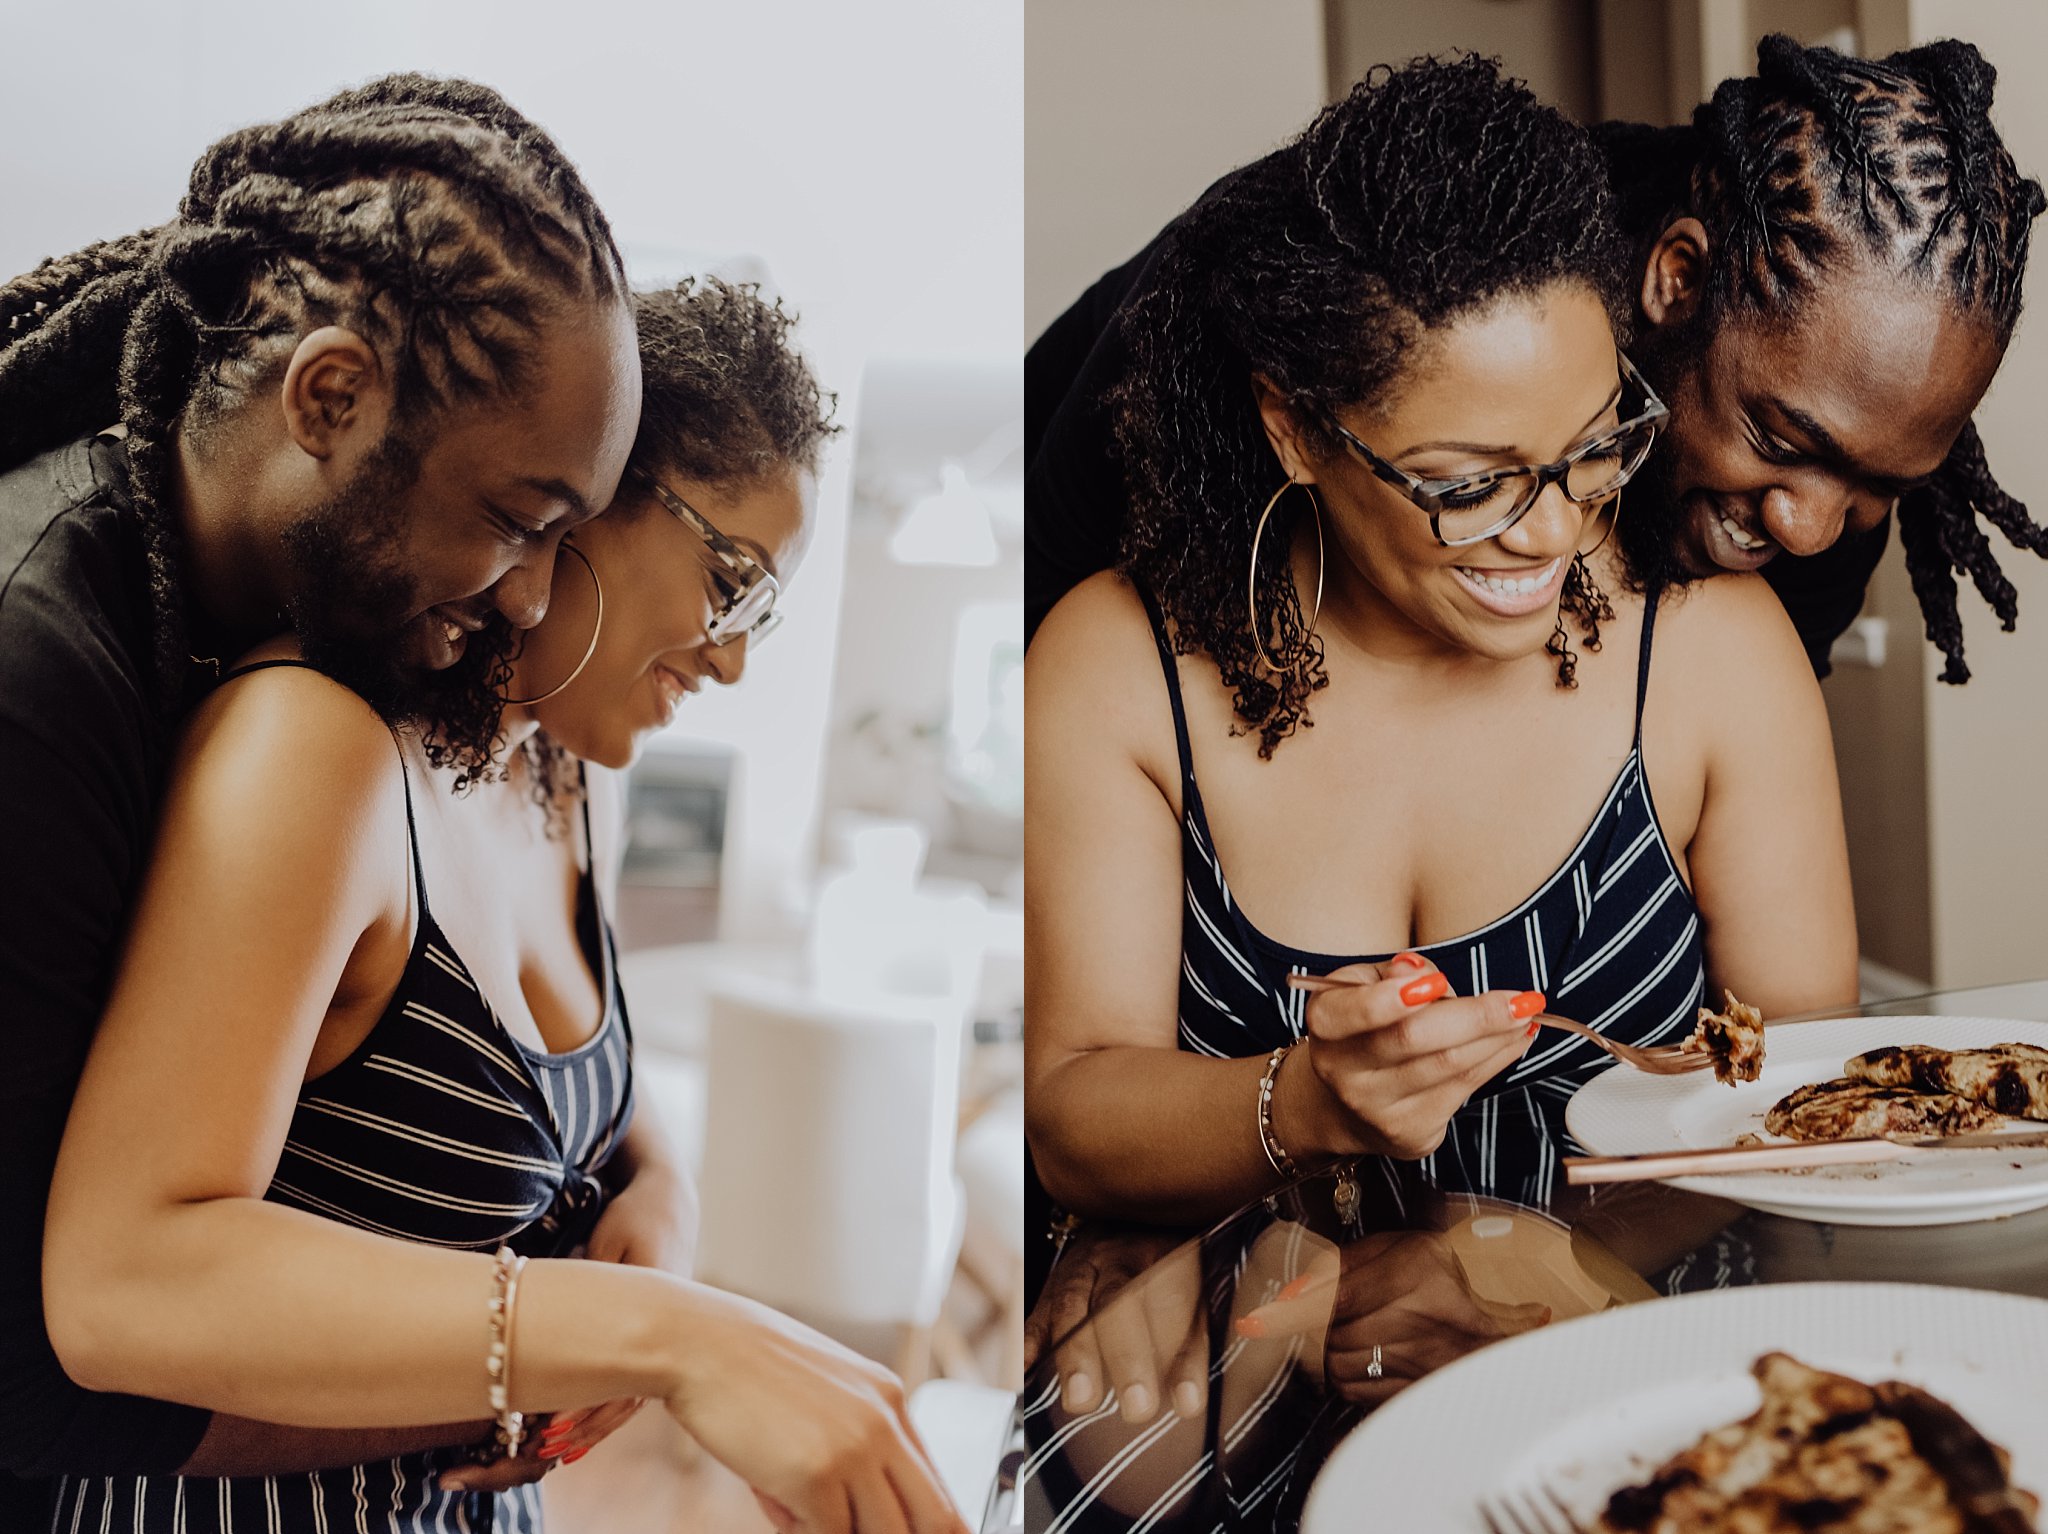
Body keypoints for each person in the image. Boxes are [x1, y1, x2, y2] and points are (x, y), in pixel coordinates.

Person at [39, 277, 964, 1534]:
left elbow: (591, 1097)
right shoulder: (322, 754)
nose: (735, 652)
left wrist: (663, 1193)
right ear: (581, 499)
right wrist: (662, 1336)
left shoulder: (564, 771)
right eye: (730, 578)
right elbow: (127, 1277)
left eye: (768, 611)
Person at [1024, 55, 1859, 1315]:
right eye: (1467, 481)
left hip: (1631, 1367)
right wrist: (1299, 1103)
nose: (1549, 532)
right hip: (1259, 1363)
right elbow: (1074, 1104)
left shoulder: (1714, 655)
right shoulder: (1117, 668)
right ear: (1295, 429)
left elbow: (1798, 1090)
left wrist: (1529, 1267)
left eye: (1590, 451)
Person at [0, 76, 640, 1517]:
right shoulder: (33, 681)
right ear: (330, 397)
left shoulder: (273, 613)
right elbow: (33, 1380)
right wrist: (499, 1376)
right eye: (515, 523)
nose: (532, 598)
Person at [1026, 36, 2046, 684]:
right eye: (1776, 440)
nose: (1812, 526)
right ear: (1675, 278)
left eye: (1879, 483)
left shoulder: (1828, 451)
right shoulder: (1375, 270)